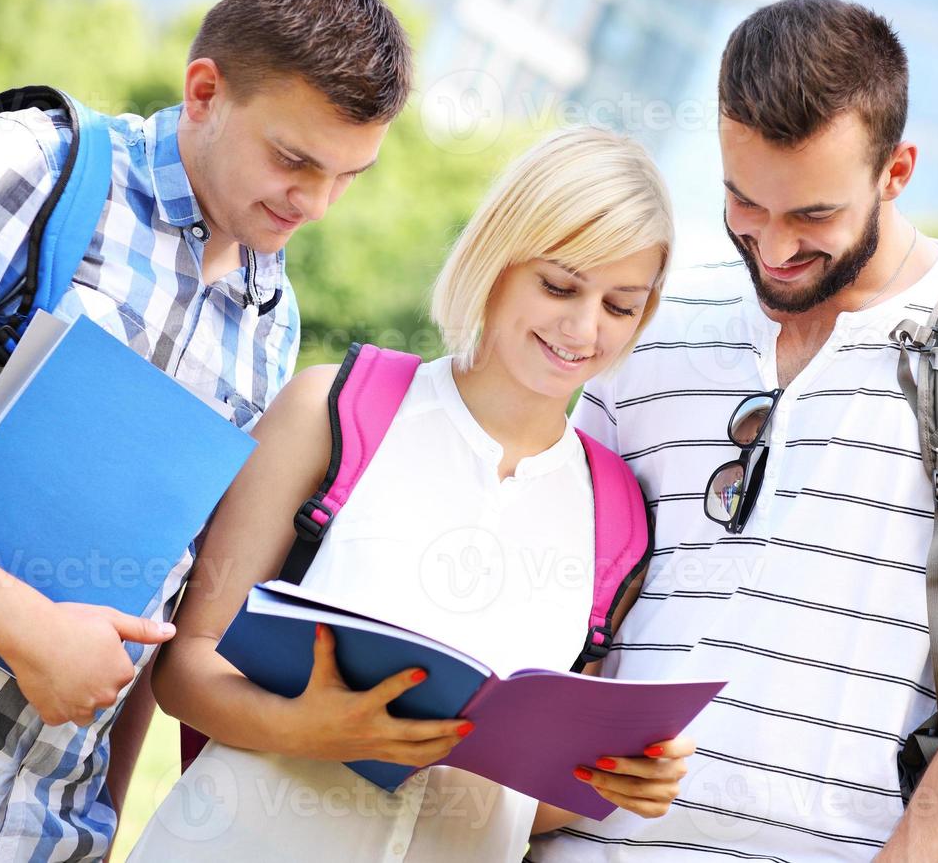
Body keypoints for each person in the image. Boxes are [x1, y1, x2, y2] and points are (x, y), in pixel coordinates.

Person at [0, 0, 410, 863]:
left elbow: (150, 610)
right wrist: (27, 630)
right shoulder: (22, 168)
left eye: (348, 177)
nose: (314, 204)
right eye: (293, 159)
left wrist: (103, 826)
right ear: (204, 91)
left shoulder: (269, 324)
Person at [530, 0, 938, 861]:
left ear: (896, 171)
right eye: (743, 203)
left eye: (812, 217)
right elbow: (560, 597)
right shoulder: (647, 322)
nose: (770, 247)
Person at [129, 127, 692, 861]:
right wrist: (306, 730)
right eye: (559, 285)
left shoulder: (616, 516)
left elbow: (524, 805)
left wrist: (619, 782)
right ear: (498, 259)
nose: (583, 329)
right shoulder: (330, 412)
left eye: (621, 305)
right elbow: (185, 664)